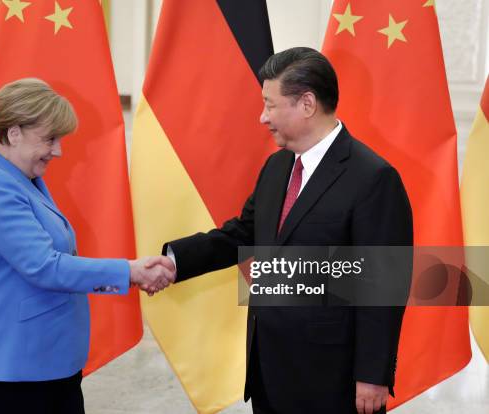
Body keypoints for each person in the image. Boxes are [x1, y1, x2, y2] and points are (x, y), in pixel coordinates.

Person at [156, 48, 413, 413]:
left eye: (270, 105)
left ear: (307, 103)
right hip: (269, 369)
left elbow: (386, 283)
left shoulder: (373, 178)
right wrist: (174, 261)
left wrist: (373, 374)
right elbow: (242, 235)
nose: (262, 117)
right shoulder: (277, 168)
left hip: (332, 379)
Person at [0, 78, 174, 414]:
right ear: (14, 133)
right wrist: (129, 271)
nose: (58, 150)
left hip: (41, 360)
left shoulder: (20, 177)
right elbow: (44, 266)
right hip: (10, 366)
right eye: (50, 139)